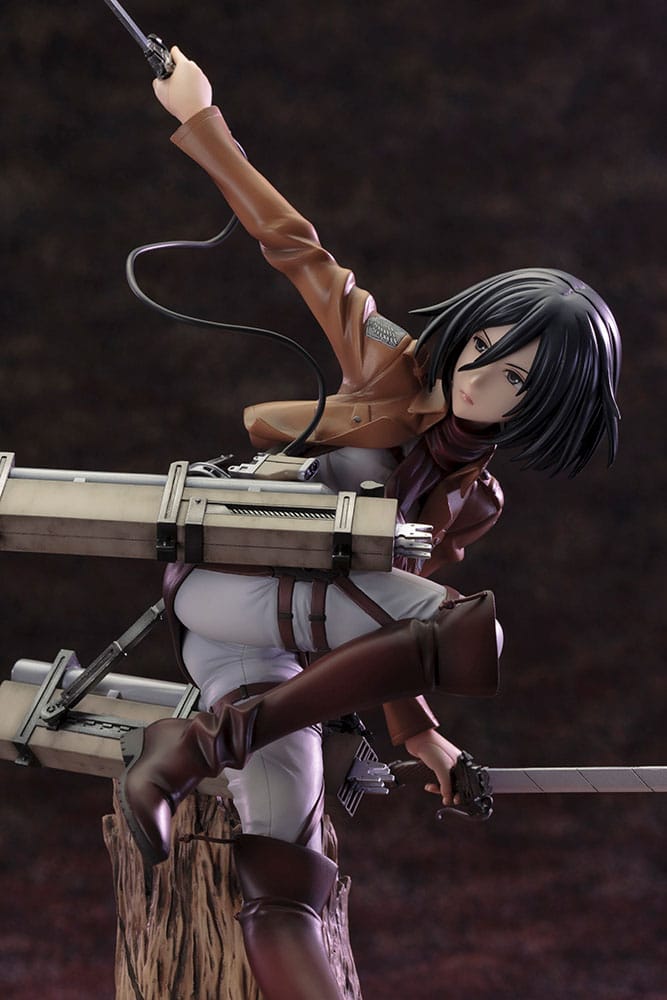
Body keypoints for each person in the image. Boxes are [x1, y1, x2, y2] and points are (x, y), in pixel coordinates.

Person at [119, 48, 621, 1000]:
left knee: (286, 871)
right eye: (486, 348)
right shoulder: (390, 361)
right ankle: (195, 749)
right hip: (232, 581)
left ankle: (200, 747)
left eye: (517, 379)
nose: (483, 378)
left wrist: (422, 740)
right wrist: (199, 118)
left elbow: (396, 629)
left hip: (260, 662)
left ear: (545, 406)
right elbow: (295, 245)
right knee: (462, 625)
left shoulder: (475, 500)